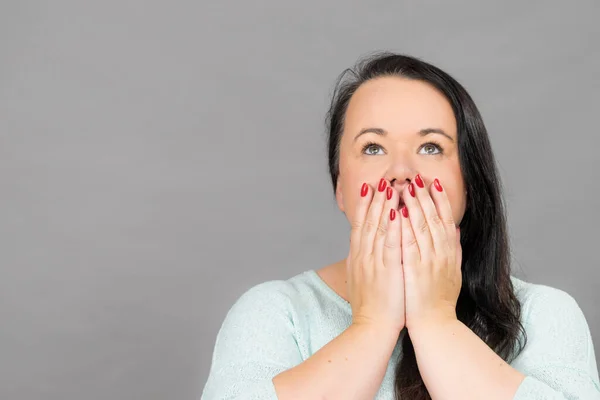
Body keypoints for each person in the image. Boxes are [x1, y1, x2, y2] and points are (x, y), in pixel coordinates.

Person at [201, 52, 600, 400]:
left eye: (431, 147)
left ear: (470, 184)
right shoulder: (274, 312)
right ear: (341, 188)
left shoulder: (542, 314)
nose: (401, 172)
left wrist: (435, 320)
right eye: (372, 147)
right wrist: (372, 326)